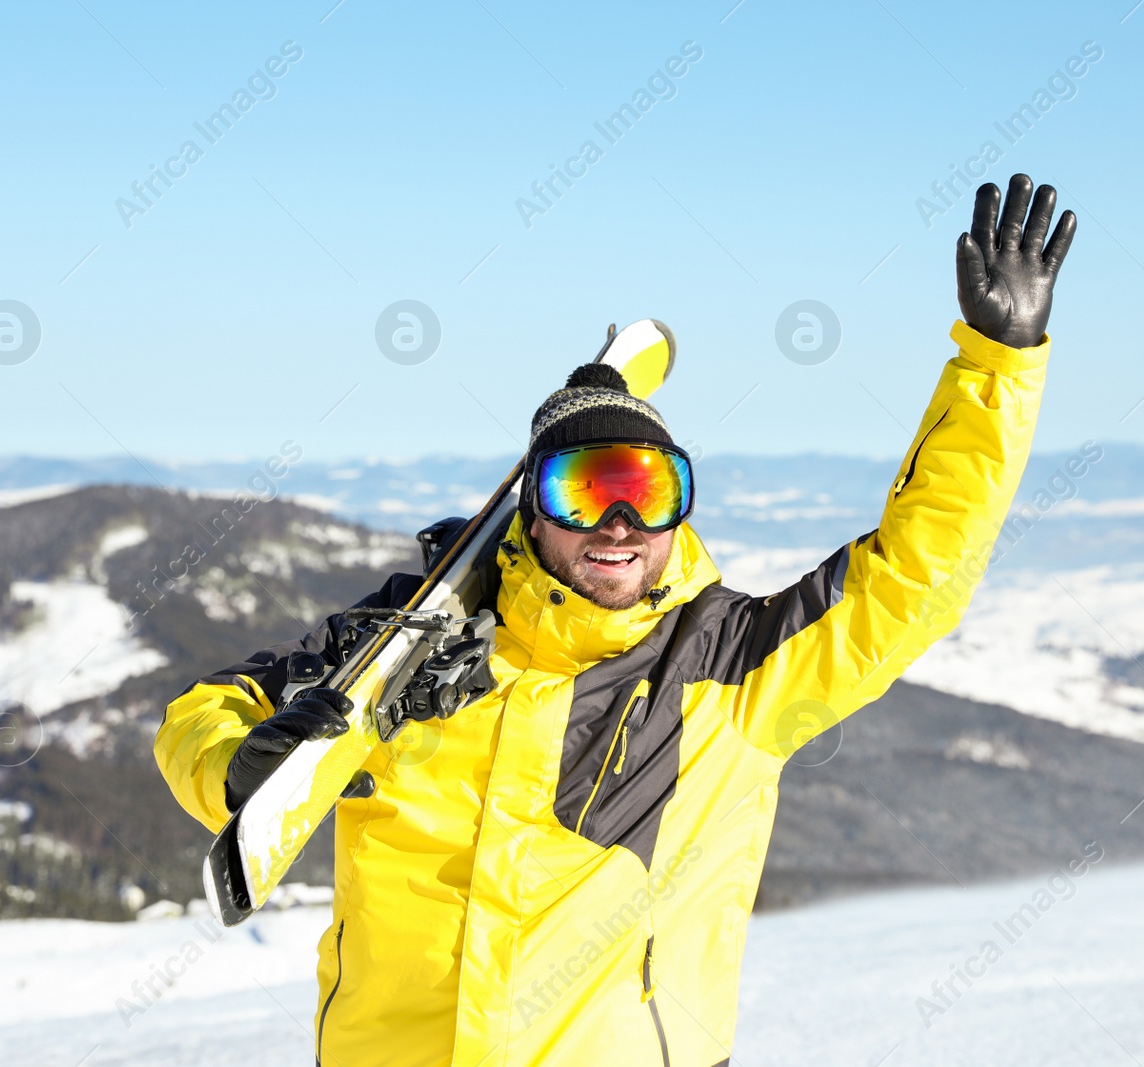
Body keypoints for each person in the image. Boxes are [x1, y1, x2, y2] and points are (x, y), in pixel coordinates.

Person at [156, 174, 1077, 1066]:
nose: (621, 525)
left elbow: (916, 577)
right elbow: (210, 706)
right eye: (585, 491)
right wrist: (231, 762)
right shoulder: (404, 644)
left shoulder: (731, 669)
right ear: (532, 511)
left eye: (648, 490)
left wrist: (997, 368)